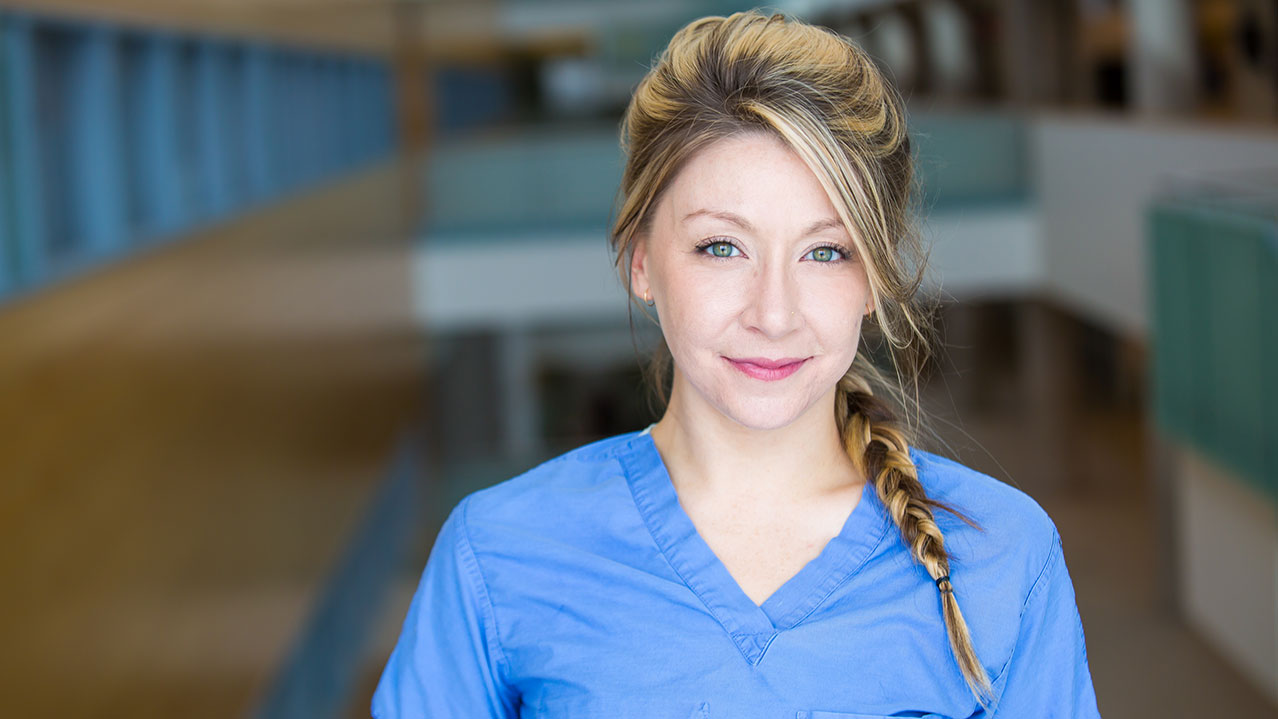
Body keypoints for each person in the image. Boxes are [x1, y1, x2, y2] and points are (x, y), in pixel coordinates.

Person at [372, 10, 1101, 718]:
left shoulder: (1002, 554)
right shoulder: (502, 553)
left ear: (873, 278)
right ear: (642, 262)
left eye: (825, 251)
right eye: (722, 247)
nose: (774, 313)